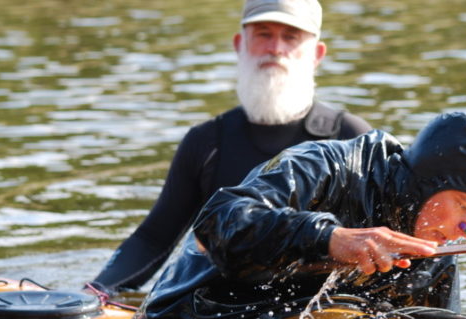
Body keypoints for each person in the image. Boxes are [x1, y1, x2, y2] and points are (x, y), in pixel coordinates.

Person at [123, 112, 466, 319]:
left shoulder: (435, 243)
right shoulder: (324, 165)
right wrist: (332, 239)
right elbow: (216, 224)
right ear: (429, 182)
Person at [89, 0, 371, 296]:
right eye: (263, 34)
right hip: (223, 306)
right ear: (240, 44)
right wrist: (98, 290)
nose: (275, 48)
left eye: (290, 37)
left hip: (320, 305)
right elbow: (153, 238)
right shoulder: (206, 141)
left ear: (317, 54)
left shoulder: (350, 137)